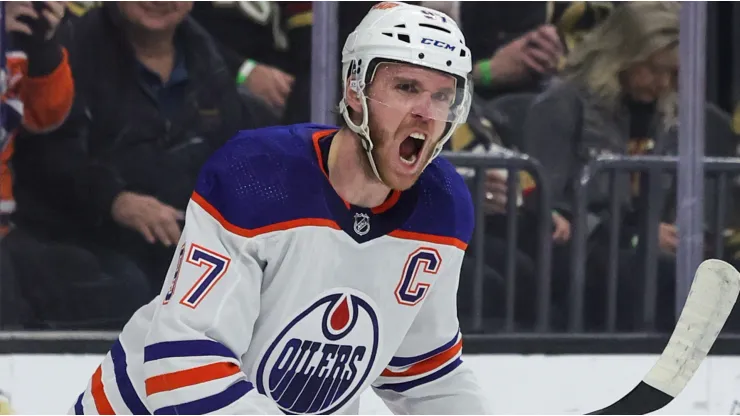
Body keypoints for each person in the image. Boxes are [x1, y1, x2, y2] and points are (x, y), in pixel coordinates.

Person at [70, 2, 490, 414]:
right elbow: (181, 369)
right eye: (406, 87)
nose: (424, 113)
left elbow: (424, 374)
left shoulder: (441, 208)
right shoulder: (257, 178)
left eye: (441, 96)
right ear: (355, 89)